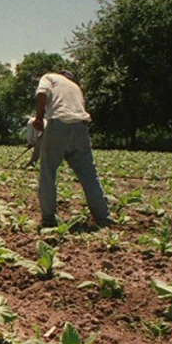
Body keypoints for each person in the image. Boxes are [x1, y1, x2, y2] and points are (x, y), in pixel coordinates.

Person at [32, 70, 112, 228]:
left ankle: (48, 219)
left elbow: (41, 93)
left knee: (48, 173)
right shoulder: (76, 87)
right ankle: (103, 217)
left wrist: (39, 118)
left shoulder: (49, 77)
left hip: (59, 124)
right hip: (81, 127)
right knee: (89, 176)